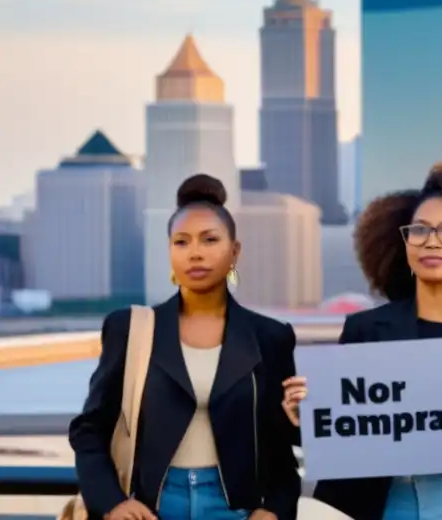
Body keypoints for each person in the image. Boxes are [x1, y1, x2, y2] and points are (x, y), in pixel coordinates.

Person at [282, 159, 442, 520]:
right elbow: (341, 432)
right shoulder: (365, 330)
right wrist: (302, 418)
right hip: (392, 497)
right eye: (419, 230)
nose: (431, 241)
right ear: (404, 245)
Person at [68, 174, 301, 520]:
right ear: (170, 251)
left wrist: (275, 511)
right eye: (181, 242)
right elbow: (89, 430)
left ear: (234, 251)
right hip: (151, 508)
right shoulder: (130, 329)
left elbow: (281, 447)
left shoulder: (270, 337)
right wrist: (113, 502)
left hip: (235, 509)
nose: (195, 253)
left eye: (209, 240)